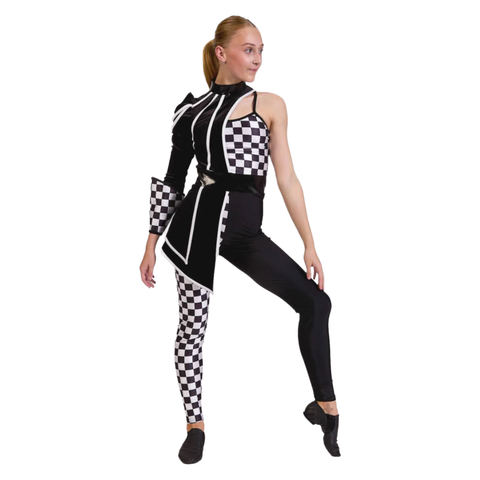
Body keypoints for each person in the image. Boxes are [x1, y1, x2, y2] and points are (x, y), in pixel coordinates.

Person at [139, 15, 341, 464]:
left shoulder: (268, 105)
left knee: (315, 303)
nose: (258, 59)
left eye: (261, 50)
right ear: (222, 52)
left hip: (245, 234)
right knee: (192, 330)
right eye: (249, 49)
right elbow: (172, 179)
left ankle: (326, 407)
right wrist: (151, 242)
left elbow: (287, 179)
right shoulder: (191, 112)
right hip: (194, 230)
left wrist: (309, 243)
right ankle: (195, 425)